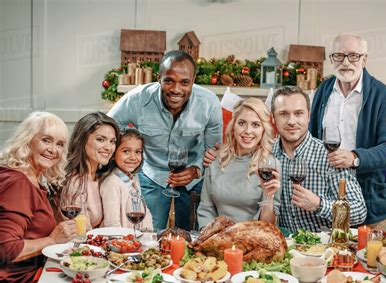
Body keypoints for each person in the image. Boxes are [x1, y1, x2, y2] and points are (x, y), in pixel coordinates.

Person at [204, 87, 367, 232]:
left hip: (321, 246)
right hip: (282, 244)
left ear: (308, 116)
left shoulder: (330, 156)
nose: (291, 121)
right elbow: (234, 159)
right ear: (273, 119)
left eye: (298, 113)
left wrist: (319, 205)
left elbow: (359, 212)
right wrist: (216, 153)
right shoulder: (265, 154)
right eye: (283, 114)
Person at [109, 50, 222, 231]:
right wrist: (130, 149)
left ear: (193, 81)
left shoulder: (209, 103)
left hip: (193, 177)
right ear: (158, 77)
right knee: (148, 233)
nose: (176, 89)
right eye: (169, 80)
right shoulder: (137, 99)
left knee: (192, 235)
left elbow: (215, 149)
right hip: (152, 174)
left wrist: (197, 169)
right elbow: (107, 126)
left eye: (184, 82)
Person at [309, 33, 386, 230]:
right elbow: (312, 138)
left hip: (369, 196)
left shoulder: (381, 94)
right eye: (339, 55)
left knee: (368, 257)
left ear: (364, 60)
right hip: (327, 194)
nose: (346, 62)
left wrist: (354, 158)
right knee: (330, 255)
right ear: (332, 59)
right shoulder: (323, 90)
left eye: (353, 56)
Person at [0, 112, 77, 283]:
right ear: (28, 140)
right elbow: (7, 249)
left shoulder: (32, 178)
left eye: (60, 144)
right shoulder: (19, 183)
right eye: (46, 140)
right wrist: (52, 240)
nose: (53, 150)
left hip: (33, 276)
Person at [197, 98, 281, 228]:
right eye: (242, 123)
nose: (248, 131)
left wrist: (268, 196)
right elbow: (206, 209)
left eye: (256, 125)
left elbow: (268, 225)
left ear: (263, 129)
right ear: (233, 126)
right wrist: (210, 236)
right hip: (218, 238)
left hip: (252, 240)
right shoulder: (215, 160)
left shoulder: (270, 165)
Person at [63, 111, 119, 229]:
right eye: (100, 139)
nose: (108, 147)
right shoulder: (76, 183)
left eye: (112, 141)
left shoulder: (100, 178)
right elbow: (80, 235)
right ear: (82, 140)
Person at [100, 128, 153, 230]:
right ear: (113, 154)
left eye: (138, 152)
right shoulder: (111, 183)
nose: (133, 157)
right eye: (126, 151)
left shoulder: (134, 179)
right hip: (120, 241)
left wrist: (147, 233)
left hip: (135, 239)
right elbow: (112, 225)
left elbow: (143, 210)